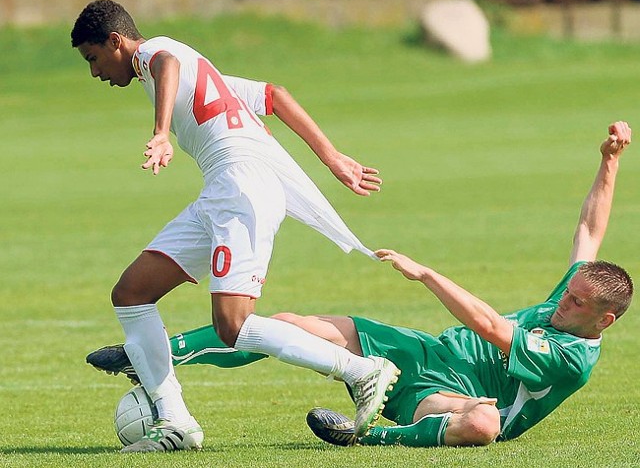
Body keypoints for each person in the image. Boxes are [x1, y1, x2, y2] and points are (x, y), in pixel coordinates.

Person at [89, 121, 633, 447]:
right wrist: (609, 162)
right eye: (567, 291)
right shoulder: (578, 293)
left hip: (449, 397)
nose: (563, 300)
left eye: (576, 302)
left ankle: (367, 434)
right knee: (287, 325)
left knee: (486, 425)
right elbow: (589, 230)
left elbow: (490, 326)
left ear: (603, 320)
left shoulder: (571, 358)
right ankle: (158, 354)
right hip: (423, 351)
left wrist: (426, 275)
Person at [71, 0, 400, 453]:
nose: (94, 73)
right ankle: (175, 423)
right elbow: (274, 95)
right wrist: (332, 157)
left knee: (233, 325)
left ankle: (362, 371)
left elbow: (162, 60)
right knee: (131, 293)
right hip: (223, 194)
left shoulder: (156, 55)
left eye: (93, 59)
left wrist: (162, 131)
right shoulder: (198, 71)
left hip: (241, 192)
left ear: (116, 42)